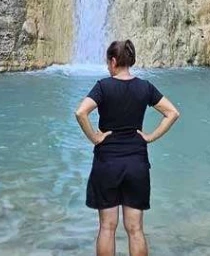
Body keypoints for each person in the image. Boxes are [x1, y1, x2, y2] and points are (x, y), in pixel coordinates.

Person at [75, 40, 180, 256]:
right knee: (136, 229)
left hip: (107, 163)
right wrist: (150, 137)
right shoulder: (145, 87)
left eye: (108, 62)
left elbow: (80, 112)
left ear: (113, 61)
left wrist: (95, 137)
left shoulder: (103, 86)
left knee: (107, 228)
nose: (107, 67)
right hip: (136, 163)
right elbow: (172, 113)